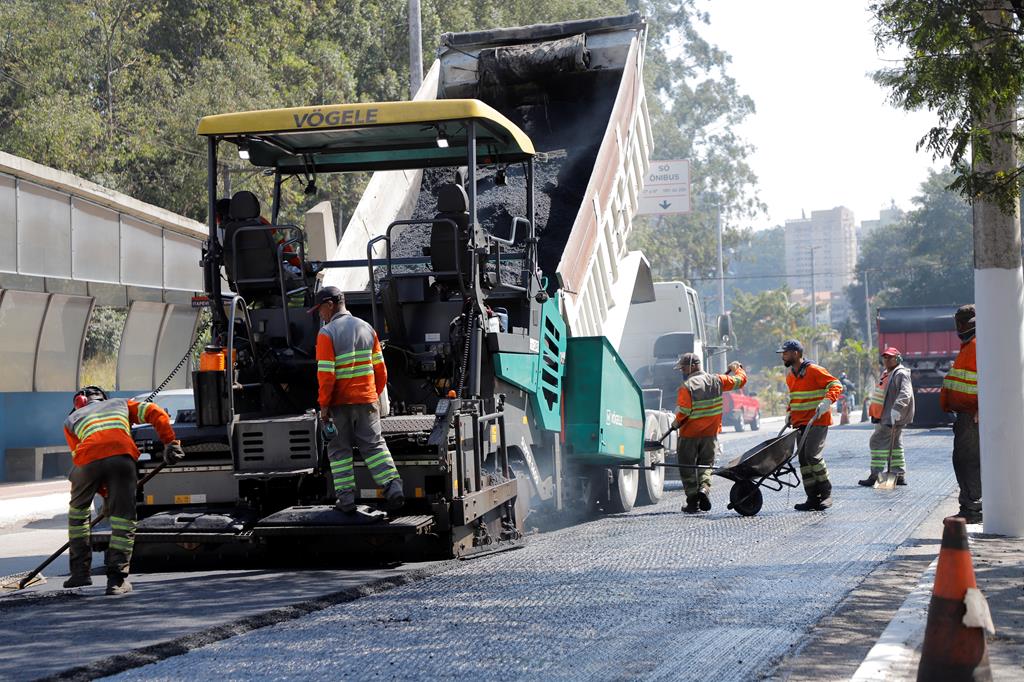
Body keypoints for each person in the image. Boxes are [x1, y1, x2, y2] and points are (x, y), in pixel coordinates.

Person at [62, 386, 182, 594]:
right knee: (123, 519)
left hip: (86, 464)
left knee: (78, 516)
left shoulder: (71, 420)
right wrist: (170, 442)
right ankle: (116, 581)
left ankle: (80, 574)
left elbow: (83, 457)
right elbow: (156, 412)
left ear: (79, 403)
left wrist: (104, 494)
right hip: (121, 457)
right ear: (103, 398)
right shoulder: (121, 404)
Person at [311, 286, 404, 513]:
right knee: (373, 445)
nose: (319, 314)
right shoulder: (367, 328)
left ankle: (346, 500)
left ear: (330, 305)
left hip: (339, 403)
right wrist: (373, 394)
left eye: (320, 309)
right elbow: (380, 370)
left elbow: (326, 376)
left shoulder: (326, 334)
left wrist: (324, 406)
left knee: (339, 451)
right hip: (367, 400)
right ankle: (393, 488)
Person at [671, 353, 747, 514]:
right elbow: (740, 381)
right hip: (710, 434)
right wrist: (738, 369)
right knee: (706, 464)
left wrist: (675, 422)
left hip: (689, 435)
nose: (682, 371)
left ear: (692, 366)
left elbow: (684, 412)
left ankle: (692, 502)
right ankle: (704, 489)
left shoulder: (687, 386)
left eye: (683, 368)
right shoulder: (717, 380)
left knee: (687, 467)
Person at [778, 339, 843, 511]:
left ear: (796, 353)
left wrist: (828, 401)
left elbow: (836, 384)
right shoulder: (791, 376)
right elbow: (795, 397)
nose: (782, 356)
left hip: (817, 421)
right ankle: (812, 497)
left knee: (813, 456)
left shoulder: (814, 370)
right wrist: (790, 412)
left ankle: (826, 493)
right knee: (803, 460)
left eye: (785, 353)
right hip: (800, 424)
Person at [939, 304, 980, 523]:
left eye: (960, 323)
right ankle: (971, 506)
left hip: (973, 415)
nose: (959, 327)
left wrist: (982, 408)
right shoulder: (969, 346)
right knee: (963, 459)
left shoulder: (977, 345)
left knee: (968, 460)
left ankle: (973, 509)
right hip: (967, 414)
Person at [859, 347, 914, 486]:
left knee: (877, 442)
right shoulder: (887, 373)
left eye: (890, 357)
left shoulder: (900, 373)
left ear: (898, 358)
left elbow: (905, 393)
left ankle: (875, 476)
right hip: (885, 417)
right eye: (885, 357)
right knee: (895, 446)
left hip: (892, 417)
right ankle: (899, 474)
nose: (887, 360)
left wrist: (897, 408)